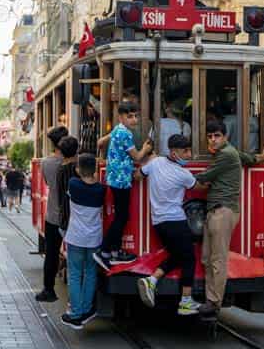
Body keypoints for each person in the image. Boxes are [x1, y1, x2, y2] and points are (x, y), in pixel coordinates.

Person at [194, 120, 264, 316]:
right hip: (216, 210)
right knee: (207, 258)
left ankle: (214, 301)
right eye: (210, 137)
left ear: (225, 137)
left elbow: (203, 177)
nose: (212, 140)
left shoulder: (226, 155)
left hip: (223, 211)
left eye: (216, 136)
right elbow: (249, 159)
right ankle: (211, 298)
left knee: (217, 258)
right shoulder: (230, 152)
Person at [136, 134, 202, 316]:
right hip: (175, 220)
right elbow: (199, 187)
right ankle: (186, 302)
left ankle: (152, 280)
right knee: (188, 258)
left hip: (158, 221)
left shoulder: (155, 163)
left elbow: (138, 175)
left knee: (178, 255)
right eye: (185, 151)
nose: (188, 155)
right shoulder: (183, 174)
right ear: (174, 153)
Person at [95, 101, 152, 270]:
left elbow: (99, 142)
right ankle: (104, 250)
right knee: (121, 217)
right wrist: (146, 148)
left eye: (136, 116)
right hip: (121, 180)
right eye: (130, 116)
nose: (134, 120)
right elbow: (137, 157)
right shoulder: (125, 134)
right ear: (121, 117)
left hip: (114, 178)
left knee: (120, 216)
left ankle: (115, 251)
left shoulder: (117, 130)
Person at [61, 153, 105, 329]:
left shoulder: (74, 184)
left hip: (75, 237)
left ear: (78, 170)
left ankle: (76, 313)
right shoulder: (101, 190)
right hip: (94, 238)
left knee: (75, 274)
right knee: (90, 273)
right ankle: (87, 309)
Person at [37, 125, 68, 302]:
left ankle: (48, 289)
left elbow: (48, 183)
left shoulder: (46, 162)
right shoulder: (73, 163)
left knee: (51, 253)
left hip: (53, 215)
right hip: (72, 216)